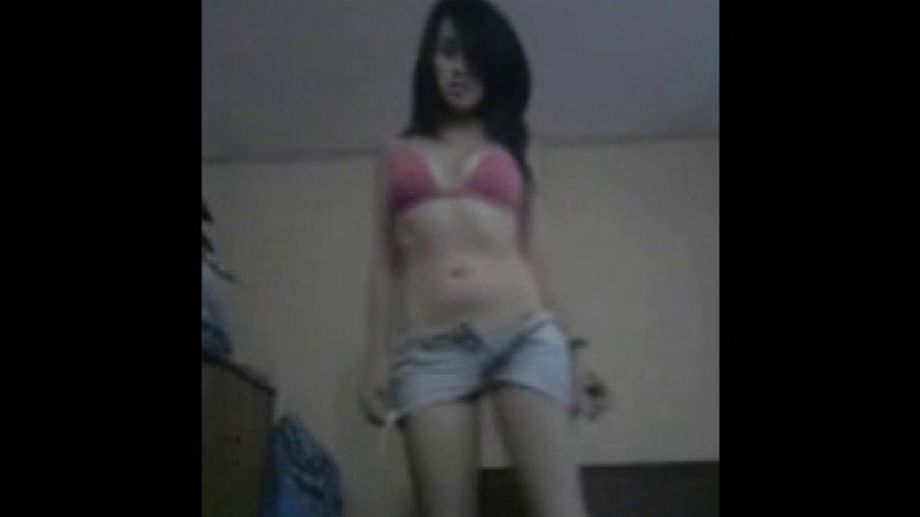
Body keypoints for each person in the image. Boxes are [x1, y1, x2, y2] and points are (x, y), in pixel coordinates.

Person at [360, 1, 591, 516]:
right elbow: (383, 261)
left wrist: (575, 350)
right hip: (429, 352)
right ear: (430, 58)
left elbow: (536, 256)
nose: (459, 68)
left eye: (474, 56)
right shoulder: (394, 152)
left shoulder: (520, 146)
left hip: (524, 336)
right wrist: (375, 359)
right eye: (448, 51)